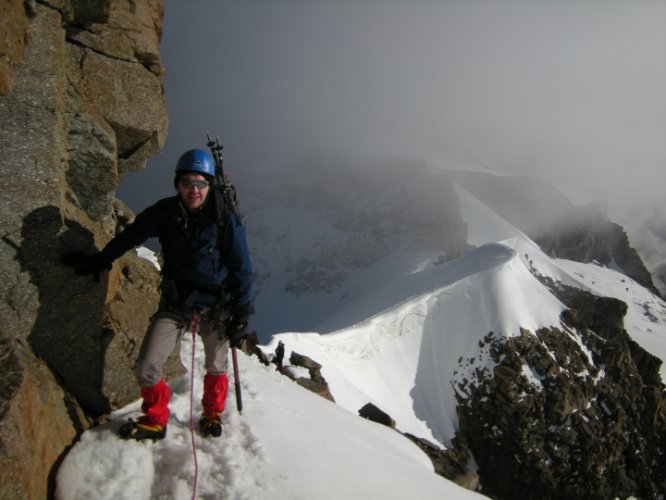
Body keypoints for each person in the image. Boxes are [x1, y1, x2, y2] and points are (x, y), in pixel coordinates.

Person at [67, 148, 252, 440]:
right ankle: (155, 419)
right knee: (148, 364)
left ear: (210, 185)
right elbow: (131, 236)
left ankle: (212, 413)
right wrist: (101, 260)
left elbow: (241, 266)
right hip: (177, 301)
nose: (194, 190)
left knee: (216, 365)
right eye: (187, 183)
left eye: (201, 183)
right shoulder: (165, 212)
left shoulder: (223, 217)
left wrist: (242, 312)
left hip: (217, 304)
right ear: (177, 184)